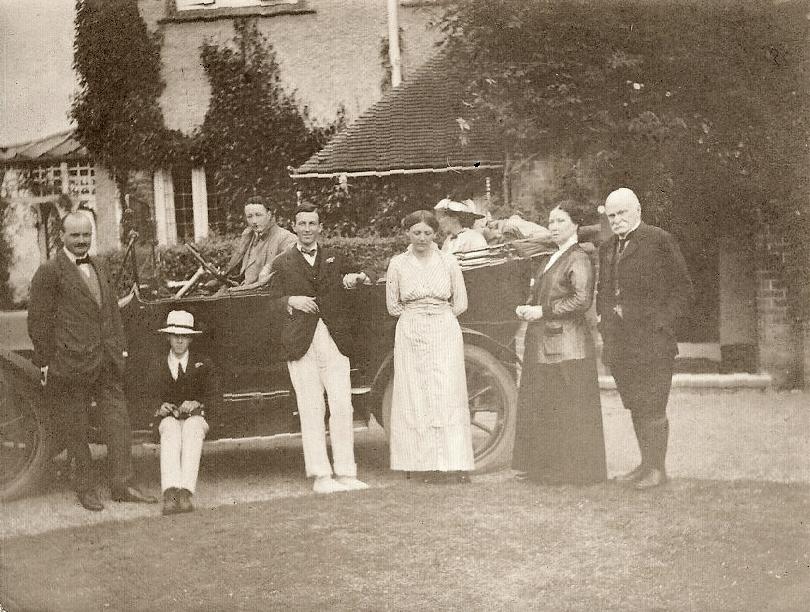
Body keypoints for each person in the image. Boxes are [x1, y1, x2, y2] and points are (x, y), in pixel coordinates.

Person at [27, 211, 157, 511]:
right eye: (75, 235)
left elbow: (109, 310)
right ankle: (85, 489)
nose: (82, 240)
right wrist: (46, 361)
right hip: (70, 364)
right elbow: (39, 322)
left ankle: (121, 485)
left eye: (86, 235)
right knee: (76, 427)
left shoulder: (99, 264)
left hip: (106, 361)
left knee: (118, 423)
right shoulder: (49, 272)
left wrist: (119, 347)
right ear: (62, 236)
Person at [269, 202, 371, 494]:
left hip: (335, 341)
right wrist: (289, 301)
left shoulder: (336, 257)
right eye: (302, 224)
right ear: (294, 227)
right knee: (311, 408)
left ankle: (347, 472)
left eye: (312, 224)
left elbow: (362, 277)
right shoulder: (282, 262)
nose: (307, 230)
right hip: (301, 343)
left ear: (320, 228)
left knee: (342, 406)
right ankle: (321, 476)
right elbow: (266, 300)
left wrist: (356, 279)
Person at [596, 187, 693, 490]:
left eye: (622, 213)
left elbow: (684, 289)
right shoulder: (608, 247)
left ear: (637, 210)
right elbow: (604, 291)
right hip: (621, 343)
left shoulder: (658, 240)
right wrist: (604, 323)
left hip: (653, 341)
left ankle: (657, 470)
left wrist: (662, 324)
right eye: (612, 215)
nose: (617, 220)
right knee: (636, 404)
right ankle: (645, 465)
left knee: (653, 405)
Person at [511, 201, 607, 485]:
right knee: (547, 407)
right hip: (545, 345)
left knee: (568, 409)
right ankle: (546, 469)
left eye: (560, 221)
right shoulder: (552, 257)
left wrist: (543, 311)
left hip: (569, 347)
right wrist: (528, 306)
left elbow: (582, 299)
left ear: (576, 225)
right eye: (551, 221)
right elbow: (543, 293)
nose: (553, 226)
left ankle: (574, 472)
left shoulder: (578, 257)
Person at [385, 210, 474, 483]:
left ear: (435, 234)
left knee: (448, 392)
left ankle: (455, 463)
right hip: (411, 330)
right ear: (407, 234)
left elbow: (460, 303)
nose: (422, 238)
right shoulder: (398, 264)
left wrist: (436, 315)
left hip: (443, 329)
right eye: (416, 233)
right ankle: (419, 463)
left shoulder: (448, 262)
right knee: (415, 393)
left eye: (427, 233)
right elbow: (392, 305)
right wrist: (417, 315)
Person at [150, 310, 215, 516]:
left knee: (193, 428)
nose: (179, 341)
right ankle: (171, 493)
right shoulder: (157, 364)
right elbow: (146, 395)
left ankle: (186, 492)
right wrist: (160, 407)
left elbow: (215, 398)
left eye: (184, 336)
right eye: (175, 335)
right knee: (169, 429)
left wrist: (197, 403)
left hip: (196, 418)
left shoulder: (203, 364)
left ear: (191, 338)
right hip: (169, 419)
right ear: (168, 336)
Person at [218, 195, 296, 292]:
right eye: (249, 216)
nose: (254, 221)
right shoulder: (248, 236)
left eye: (258, 215)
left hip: (264, 296)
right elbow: (238, 272)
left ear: (269, 215)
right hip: (242, 292)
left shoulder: (285, 238)